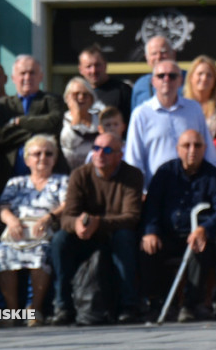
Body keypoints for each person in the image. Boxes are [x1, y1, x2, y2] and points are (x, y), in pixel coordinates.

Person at [51, 132, 143, 325]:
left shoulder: (132, 175)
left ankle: (129, 306)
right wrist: (76, 224)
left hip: (114, 236)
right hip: (85, 236)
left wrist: (98, 223)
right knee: (60, 240)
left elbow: (131, 216)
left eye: (108, 150)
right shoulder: (80, 175)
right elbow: (67, 216)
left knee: (124, 237)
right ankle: (62, 306)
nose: (100, 154)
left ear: (119, 155)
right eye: (96, 148)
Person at [141, 129, 216, 321]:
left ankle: (192, 304)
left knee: (200, 248)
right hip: (167, 233)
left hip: (198, 234)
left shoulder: (213, 177)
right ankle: (158, 302)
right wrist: (151, 231)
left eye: (197, 146)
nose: (192, 150)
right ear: (178, 149)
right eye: (186, 145)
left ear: (205, 148)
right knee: (147, 248)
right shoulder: (165, 173)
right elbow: (152, 205)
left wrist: (204, 229)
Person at [0, 134, 68, 324]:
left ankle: (33, 309)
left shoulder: (62, 181)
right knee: (2, 253)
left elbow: (67, 204)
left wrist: (49, 217)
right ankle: (12, 311)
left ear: (55, 158)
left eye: (48, 153)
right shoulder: (16, 183)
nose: (42, 158)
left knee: (41, 253)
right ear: (27, 160)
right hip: (17, 230)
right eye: (37, 154)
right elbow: (2, 207)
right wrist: (11, 220)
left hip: (44, 229)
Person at [125, 60, 216, 190]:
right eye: (161, 75)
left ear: (180, 81)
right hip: (156, 191)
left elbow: (208, 151)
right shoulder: (141, 114)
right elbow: (133, 159)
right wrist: (140, 191)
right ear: (153, 81)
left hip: (193, 188)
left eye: (172, 76)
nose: (166, 79)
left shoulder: (194, 109)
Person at [0, 54, 68, 197]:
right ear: (13, 78)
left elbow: (54, 123)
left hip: (48, 176)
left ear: (41, 77)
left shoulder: (51, 100)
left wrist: (19, 122)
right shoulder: (1, 105)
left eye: (32, 73)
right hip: (9, 174)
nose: (27, 77)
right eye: (23, 73)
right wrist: (38, 129)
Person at [79, 45, 133, 125]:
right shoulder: (78, 94)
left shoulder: (122, 91)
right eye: (88, 66)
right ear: (81, 69)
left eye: (97, 65)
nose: (93, 70)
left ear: (105, 65)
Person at [59, 76, 101, 169]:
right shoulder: (61, 120)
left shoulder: (99, 120)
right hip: (69, 170)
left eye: (85, 95)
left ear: (92, 99)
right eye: (76, 94)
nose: (81, 97)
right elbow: (69, 143)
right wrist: (77, 115)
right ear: (67, 98)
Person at [131, 36, 181, 112]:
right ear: (147, 58)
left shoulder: (190, 79)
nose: (158, 57)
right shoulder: (140, 84)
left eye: (163, 52)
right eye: (154, 53)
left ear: (173, 54)